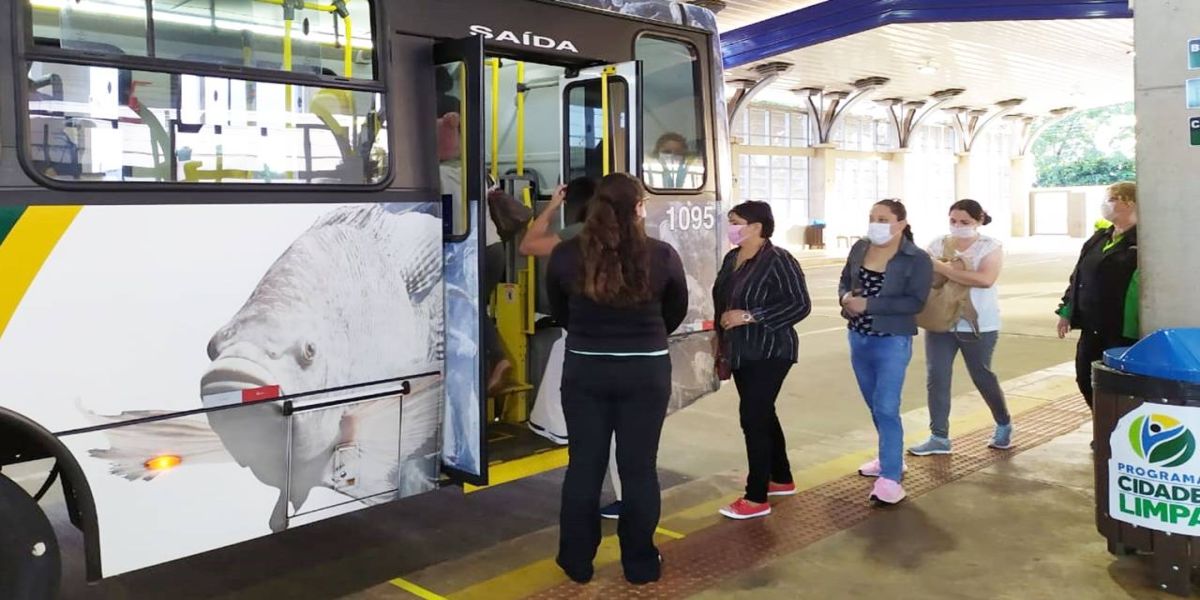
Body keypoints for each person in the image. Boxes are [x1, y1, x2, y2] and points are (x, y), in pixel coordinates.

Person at [546, 172, 688, 585]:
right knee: (639, 469)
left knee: (583, 468)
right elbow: (674, 310)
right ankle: (640, 564)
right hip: (645, 372)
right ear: (639, 208)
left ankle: (576, 561)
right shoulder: (661, 255)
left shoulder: (566, 254)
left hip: (586, 370)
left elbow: (560, 310)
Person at [713, 201, 811, 520]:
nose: (731, 227)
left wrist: (751, 316)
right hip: (741, 350)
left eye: (737, 222)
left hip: (770, 350)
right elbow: (722, 298)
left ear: (757, 227)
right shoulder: (733, 257)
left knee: (752, 417)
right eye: (730, 221)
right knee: (763, 413)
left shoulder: (779, 260)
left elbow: (799, 305)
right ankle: (780, 478)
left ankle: (756, 497)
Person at [839, 199, 932, 506]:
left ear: (901, 224)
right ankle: (888, 456)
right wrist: (845, 298)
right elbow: (845, 281)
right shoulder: (860, 249)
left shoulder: (915, 258)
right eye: (871, 217)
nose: (875, 223)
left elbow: (915, 303)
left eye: (883, 218)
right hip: (859, 337)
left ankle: (890, 477)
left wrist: (870, 305)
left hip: (891, 340)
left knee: (887, 407)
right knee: (874, 404)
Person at [908, 200, 1013, 457]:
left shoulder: (990, 247)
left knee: (981, 375)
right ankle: (939, 437)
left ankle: (1003, 422)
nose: (958, 227)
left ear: (978, 221)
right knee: (938, 377)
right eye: (953, 221)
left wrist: (943, 267)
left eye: (964, 222)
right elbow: (921, 273)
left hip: (978, 325)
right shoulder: (937, 244)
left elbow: (985, 280)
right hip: (940, 321)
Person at [1056, 182, 1140, 409]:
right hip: (1092, 325)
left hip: (1122, 329)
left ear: (1129, 202)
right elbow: (1078, 276)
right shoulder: (1099, 238)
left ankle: (1114, 432)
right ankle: (1102, 426)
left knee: (1120, 384)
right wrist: (1066, 310)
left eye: (1111, 199)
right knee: (1085, 378)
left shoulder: (1142, 241)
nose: (1105, 204)